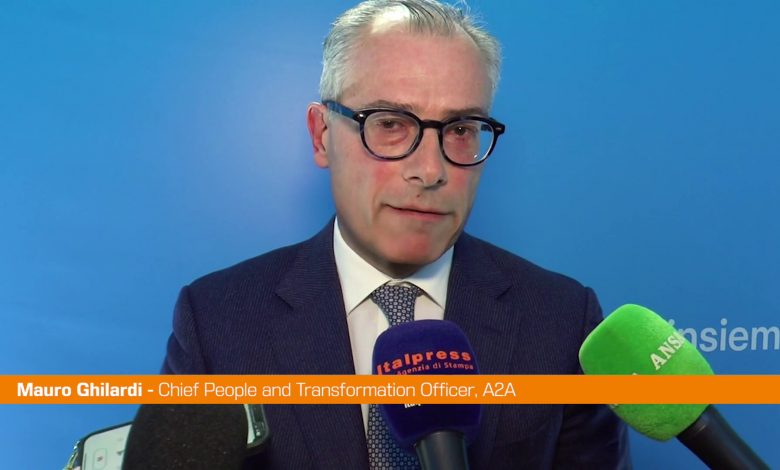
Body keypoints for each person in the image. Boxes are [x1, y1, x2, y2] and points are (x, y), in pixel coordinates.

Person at [162, 0, 631, 468]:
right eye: (390, 124)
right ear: (322, 135)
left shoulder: (563, 321)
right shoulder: (217, 323)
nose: (430, 170)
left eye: (460, 129)